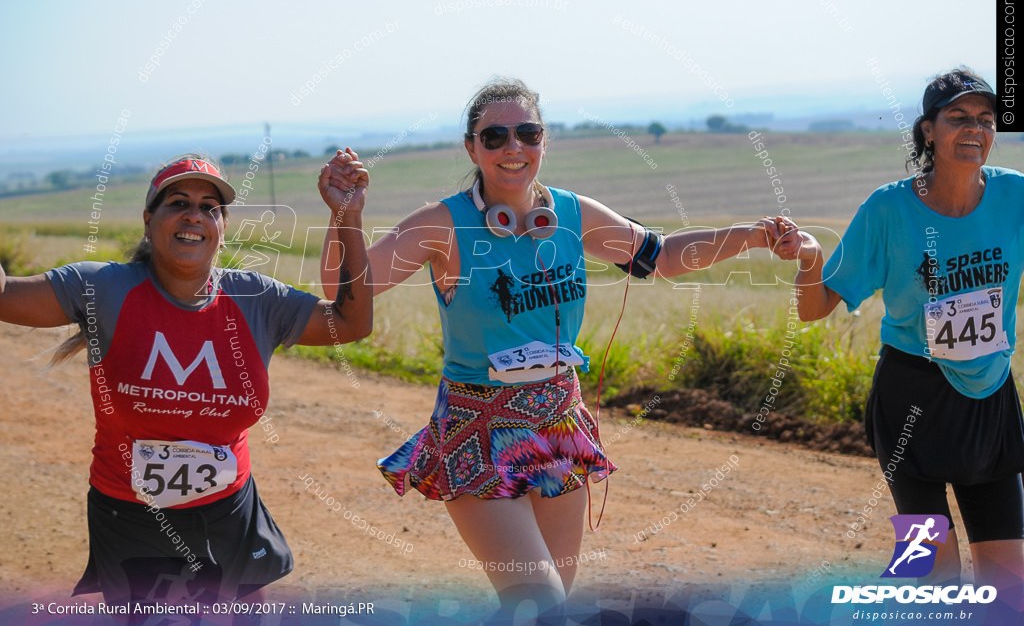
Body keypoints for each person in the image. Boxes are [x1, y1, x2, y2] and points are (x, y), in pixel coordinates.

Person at [319, 77, 795, 621]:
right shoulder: (441, 225)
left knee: (553, 605)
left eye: (527, 132)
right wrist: (344, 217)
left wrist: (751, 236)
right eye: (494, 136)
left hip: (558, 422)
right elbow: (343, 289)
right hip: (478, 428)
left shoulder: (573, 212)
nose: (512, 147)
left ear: (544, 141)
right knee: (537, 601)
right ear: (471, 148)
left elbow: (659, 257)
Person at [0, 154, 371, 610]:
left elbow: (350, 323)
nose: (194, 214)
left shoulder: (256, 298)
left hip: (230, 512)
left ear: (221, 226)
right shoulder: (102, 288)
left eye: (209, 207)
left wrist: (347, 215)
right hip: (134, 517)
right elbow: (5, 297)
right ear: (149, 220)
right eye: (178, 202)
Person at [791, 69, 1024, 597]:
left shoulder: (1015, 196)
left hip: (989, 398)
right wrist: (809, 258)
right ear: (928, 131)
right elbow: (816, 307)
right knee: (931, 570)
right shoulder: (888, 209)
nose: (975, 129)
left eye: (986, 120)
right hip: (912, 401)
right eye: (958, 117)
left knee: (1009, 584)